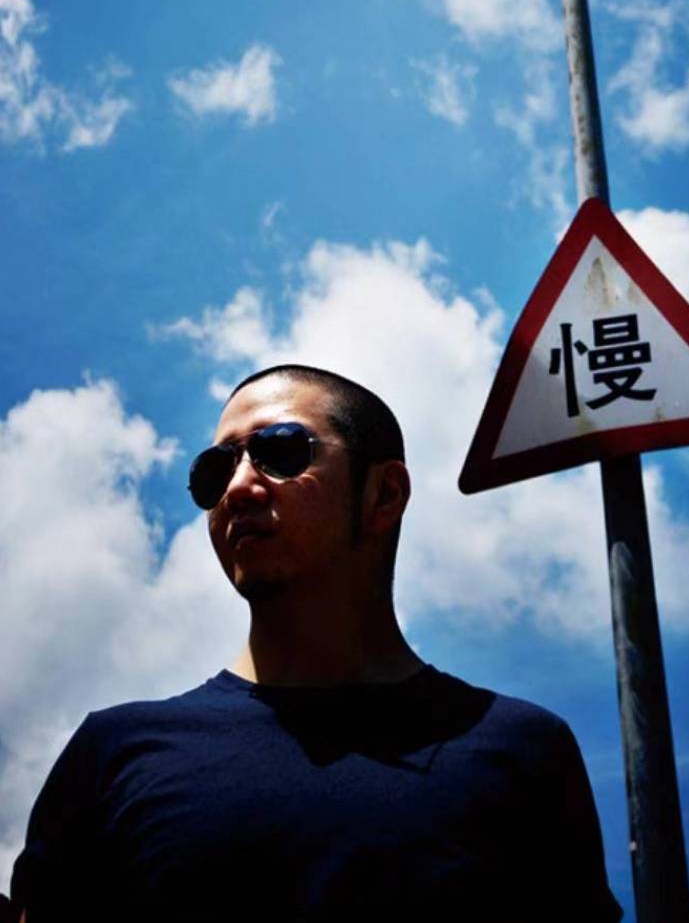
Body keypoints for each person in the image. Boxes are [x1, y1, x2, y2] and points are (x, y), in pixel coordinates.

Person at [9, 364, 622, 921]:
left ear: (385, 494)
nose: (238, 487)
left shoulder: (521, 749)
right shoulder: (114, 755)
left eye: (280, 450)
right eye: (214, 471)